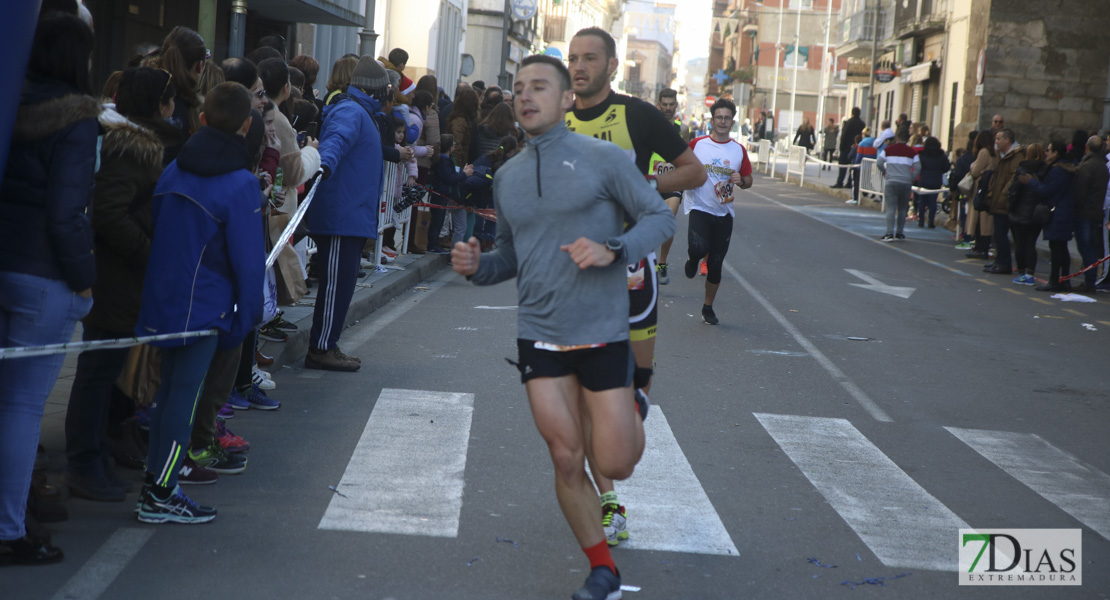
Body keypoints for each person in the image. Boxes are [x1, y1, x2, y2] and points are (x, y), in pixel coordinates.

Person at [451, 54, 674, 600]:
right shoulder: (507, 178)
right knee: (565, 455)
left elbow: (660, 217)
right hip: (540, 336)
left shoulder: (605, 160)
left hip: (602, 333)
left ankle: (634, 405)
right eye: (519, 87)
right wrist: (479, 268)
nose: (526, 96)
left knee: (616, 458)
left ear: (567, 98)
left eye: (540, 87)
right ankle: (603, 569)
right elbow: (509, 256)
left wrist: (613, 249)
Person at [564, 26, 706, 556]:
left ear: (612, 65)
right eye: (573, 58)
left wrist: (645, 185)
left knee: (630, 391)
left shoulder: (639, 117)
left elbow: (691, 170)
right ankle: (608, 499)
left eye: (590, 58)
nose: (578, 67)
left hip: (630, 274)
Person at [133, 82, 264, 523]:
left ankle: (157, 482)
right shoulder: (242, 184)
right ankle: (161, 491)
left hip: (164, 299)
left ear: (203, 119)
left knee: (168, 398)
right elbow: (249, 265)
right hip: (205, 307)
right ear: (246, 126)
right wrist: (247, 319)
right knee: (182, 404)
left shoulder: (172, 170)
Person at [0, 13, 99, 563]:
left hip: (5, 262)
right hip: (45, 274)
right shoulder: (78, 120)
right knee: (20, 408)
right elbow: (68, 213)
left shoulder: (10, 102)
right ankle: (9, 528)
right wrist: (84, 283)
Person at [62, 67, 183, 503]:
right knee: (97, 373)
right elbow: (110, 213)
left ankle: (96, 456)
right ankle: (84, 463)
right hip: (116, 278)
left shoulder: (142, 144)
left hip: (123, 279)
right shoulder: (132, 147)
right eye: (170, 101)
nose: (174, 108)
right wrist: (147, 252)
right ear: (159, 105)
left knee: (106, 371)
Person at [304, 56, 388, 371]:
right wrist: (323, 164)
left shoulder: (358, 111)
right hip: (342, 214)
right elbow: (335, 141)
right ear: (377, 91)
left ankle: (328, 343)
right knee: (336, 285)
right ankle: (321, 347)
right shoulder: (352, 111)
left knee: (342, 285)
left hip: (350, 213)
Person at [683, 99, 753, 325]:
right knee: (698, 247)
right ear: (711, 120)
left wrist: (740, 180)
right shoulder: (697, 144)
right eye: (719, 117)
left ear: (732, 122)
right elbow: (682, 165)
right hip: (699, 207)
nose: (722, 122)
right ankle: (693, 258)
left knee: (715, 264)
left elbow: (749, 179)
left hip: (724, 214)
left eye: (727, 118)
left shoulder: (738, 150)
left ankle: (708, 307)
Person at [1023, 141, 1077, 291]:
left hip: (1058, 212)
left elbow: (1046, 191)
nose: (1046, 153)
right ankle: (1064, 279)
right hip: (1063, 212)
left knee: (1057, 247)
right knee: (1061, 246)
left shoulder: (1058, 171)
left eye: (1049, 150)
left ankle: (1055, 280)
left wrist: (1031, 182)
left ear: (1056, 153)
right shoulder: (1065, 168)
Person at [652, 87, 685, 285]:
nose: (668, 108)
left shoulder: (682, 129)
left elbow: (687, 155)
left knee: (667, 221)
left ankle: (662, 263)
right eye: (664, 104)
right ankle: (644, 264)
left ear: (676, 105)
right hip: (652, 181)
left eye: (671, 104)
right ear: (659, 105)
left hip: (673, 181)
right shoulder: (650, 126)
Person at [982, 128, 1025, 274]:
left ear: (1007, 140)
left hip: (1006, 200)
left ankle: (1005, 263)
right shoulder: (1001, 155)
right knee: (998, 232)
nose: (996, 142)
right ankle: (999, 260)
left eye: (998, 139)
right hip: (998, 198)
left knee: (1002, 232)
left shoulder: (1016, 155)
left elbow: (1014, 177)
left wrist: (1003, 195)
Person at [1071, 136, 1109, 293]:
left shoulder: (1088, 166)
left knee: (1086, 246)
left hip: (1086, 212)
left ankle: (1089, 280)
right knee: (1092, 246)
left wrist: (1076, 207)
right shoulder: (1103, 165)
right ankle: (1091, 278)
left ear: (1087, 147)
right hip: (1097, 211)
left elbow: (1081, 190)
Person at [1007, 143, 1047, 285]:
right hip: (1037, 212)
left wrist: (1011, 205)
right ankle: (1030, 274)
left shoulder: (1022, 168)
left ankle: (1022, 273)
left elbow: (1014, 190)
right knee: (1031, 243)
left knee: (1020, 243)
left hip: (1021, 210)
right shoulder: (1046, 169)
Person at [876, 131, 919, 241]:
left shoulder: (888, 150)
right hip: (905, 183)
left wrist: (885, 171)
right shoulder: (912, 152)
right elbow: (918, 167)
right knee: (902, 209)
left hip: (891, 181)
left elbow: (879, 162)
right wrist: (911, 178)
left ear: (896, 138)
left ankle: (889, 233)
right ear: (908, 139)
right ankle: (900, 233)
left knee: (891, 208)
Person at [966, 130, 998, 259]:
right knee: (986, 220)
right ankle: (983, 247)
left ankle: (980, 248)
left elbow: (975, 171)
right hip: (990, 187)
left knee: (979, 220)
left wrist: (972, 166)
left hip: (981, 187)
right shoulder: (995, 153)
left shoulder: (983, 152)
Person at [913, 136, 950, 228]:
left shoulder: (922, 154)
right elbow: (946, 167)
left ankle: (921, 220)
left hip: (924, 179)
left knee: (922, 201)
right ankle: (931, 221)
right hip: (936, 180)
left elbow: (918, 166)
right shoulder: (941, 155)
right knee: (933, 202)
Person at [833, 107, 865, 188]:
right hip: (857, 147)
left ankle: (840, 182)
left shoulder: (849, 122)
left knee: (843, 165)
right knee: (853, 165)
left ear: (852, 113)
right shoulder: (862, 124)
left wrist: (841, 146)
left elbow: (844, 135)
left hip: (846, 147)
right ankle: (850, 183)